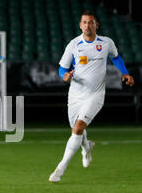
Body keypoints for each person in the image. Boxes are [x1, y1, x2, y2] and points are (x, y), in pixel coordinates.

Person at [49, 10, 134, 183]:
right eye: (85, 22)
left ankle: (60, 169)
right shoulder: (74, 44)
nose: (88, 25)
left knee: (78, 128)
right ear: (80, 25)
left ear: (96, 25)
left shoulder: (106, 43)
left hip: (95, 94)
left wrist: (125, 73)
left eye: (91, 22)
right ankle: (87, 147)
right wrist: (64, 76)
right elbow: (62, 68)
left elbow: (116, 58)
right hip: (75, 95)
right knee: (76, 130)